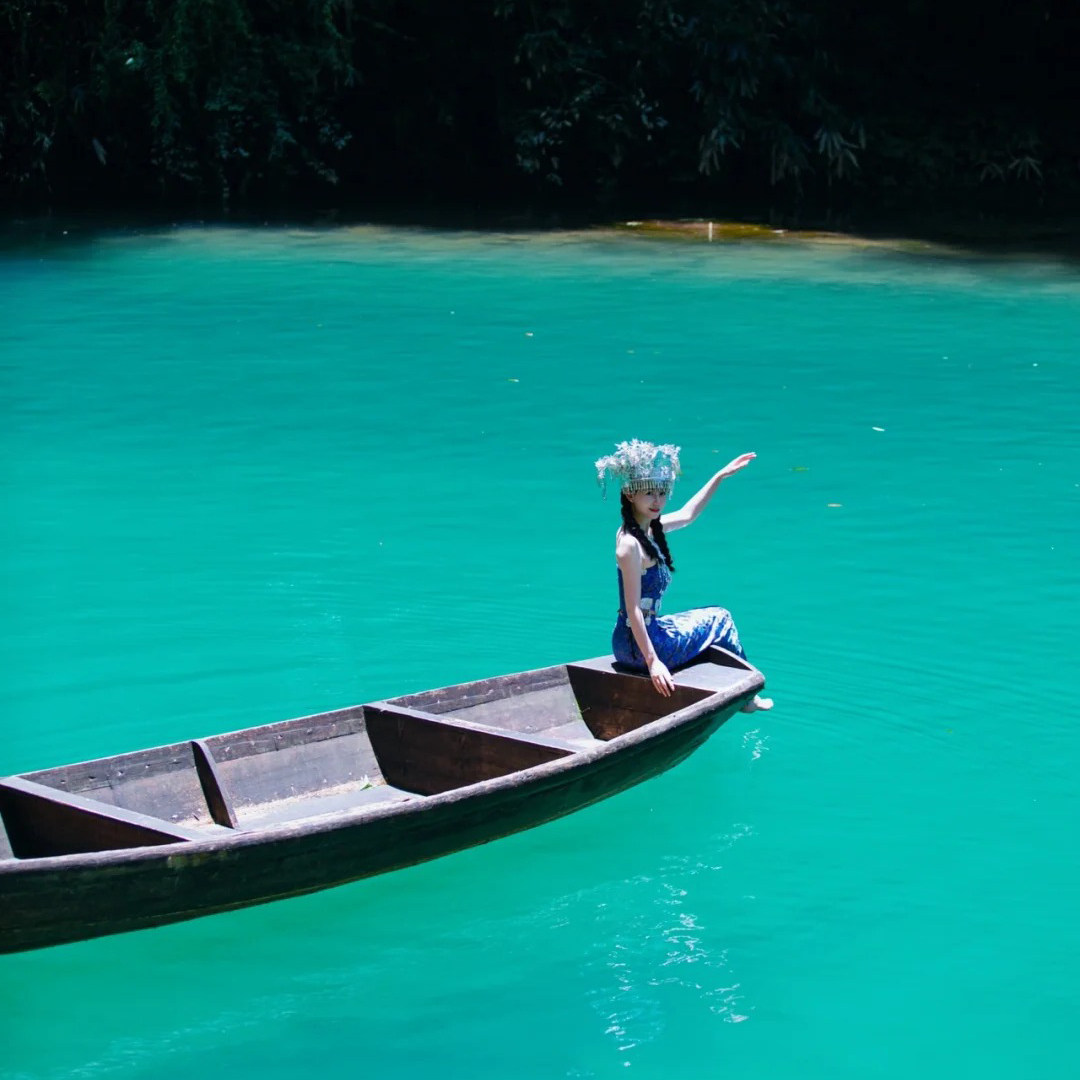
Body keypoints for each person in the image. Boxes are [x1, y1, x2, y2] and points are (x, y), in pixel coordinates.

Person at [595, 439, 773, 708]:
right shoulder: (629, 544)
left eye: (662, 493)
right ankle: (747, 698)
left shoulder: (646, 530)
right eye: (649, 493)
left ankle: (740, 693)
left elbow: (688, 515)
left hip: (632, 641)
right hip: (640, 648)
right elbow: (633, 611)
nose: (658, 501)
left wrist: (719, 476)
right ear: (630, 494)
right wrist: (654, 663)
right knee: (720, 618)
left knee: (710, 616)